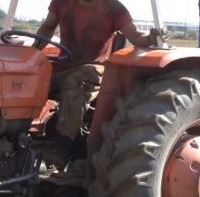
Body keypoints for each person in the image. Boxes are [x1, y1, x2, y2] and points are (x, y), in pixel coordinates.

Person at [34, 0, 164, 144]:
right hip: (64, 64)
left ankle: (64, 142)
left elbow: (135, 35)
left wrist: (151, 38)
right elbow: (48, 26)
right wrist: (32, 53)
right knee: (32, 79)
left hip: (95, 68)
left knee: (76, 81)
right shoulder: (62, 2)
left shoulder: (114, 9)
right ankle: (20, 133)